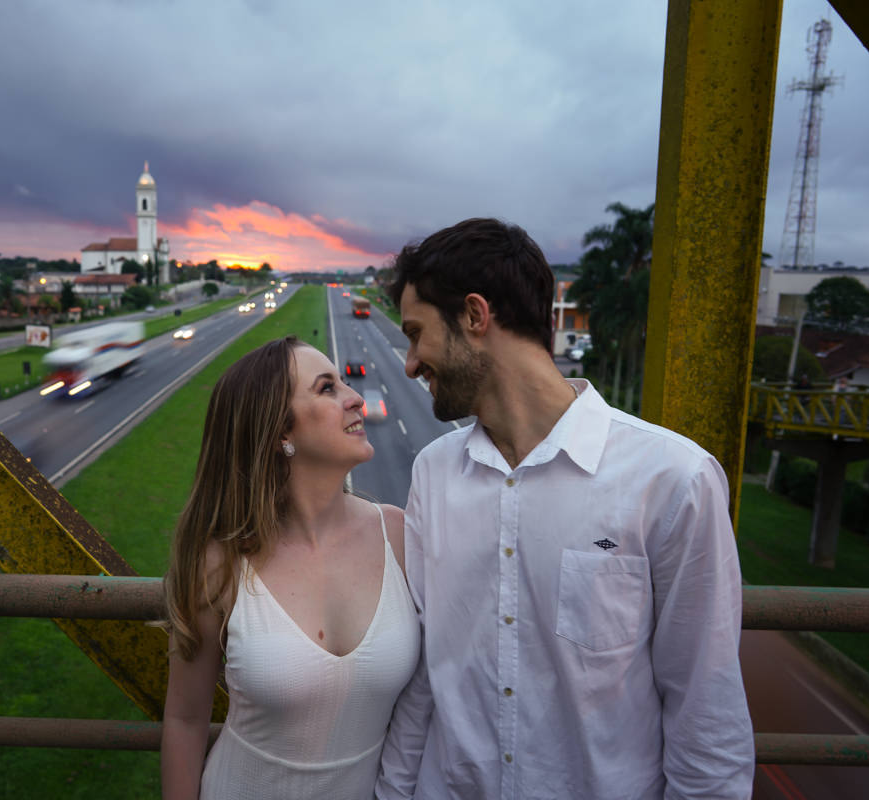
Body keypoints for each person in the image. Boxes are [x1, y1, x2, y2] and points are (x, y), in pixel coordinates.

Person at [375, 218, 754, 799]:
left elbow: (705, 706)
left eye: (415, 333)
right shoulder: (432, 471)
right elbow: (427, 670)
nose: (409, 362)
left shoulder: (673, 479)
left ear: (475, 317)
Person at [161, 336, 420, 800]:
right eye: (326, 389)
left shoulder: (400, 536)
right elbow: (185, 718)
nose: (356, 397)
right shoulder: (219, 564)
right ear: (281, 431)